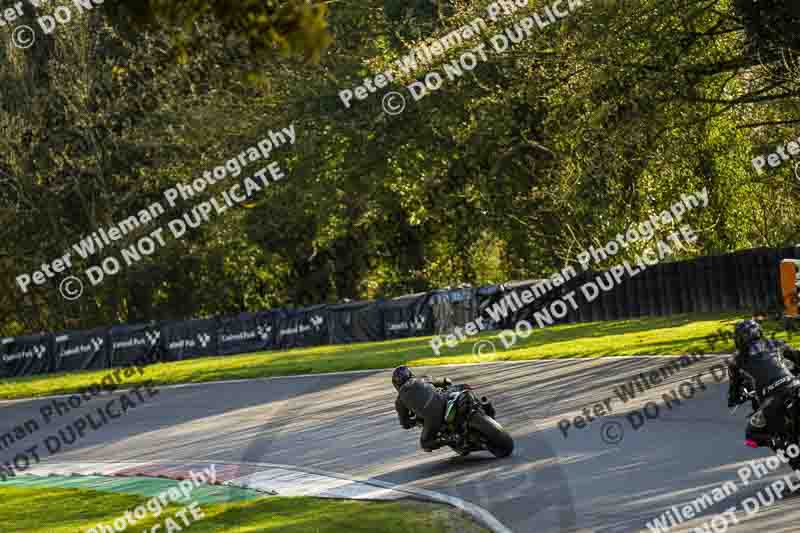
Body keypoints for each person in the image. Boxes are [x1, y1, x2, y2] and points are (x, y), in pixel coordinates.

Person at [727, 319, 800, 445]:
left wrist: (734, 398)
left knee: (751, 435)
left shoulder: (736, 361)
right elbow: (797, 356)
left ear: (738, 340)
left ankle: (782, 446)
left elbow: (734, 388)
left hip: (772, 400)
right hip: (794, 386)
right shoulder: (776, 344)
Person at [393, 366, 452, 452]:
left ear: (396, 384)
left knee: (425, 443)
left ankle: (451, 440)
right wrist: (446, 384)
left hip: (432, 418)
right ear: (410, 374)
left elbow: (405, 423)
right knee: (455, 391)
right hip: (443, 401)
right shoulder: (422, 378)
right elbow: (446, 381)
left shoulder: (399, 401)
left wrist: (414, 421)